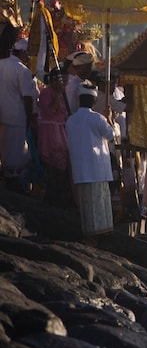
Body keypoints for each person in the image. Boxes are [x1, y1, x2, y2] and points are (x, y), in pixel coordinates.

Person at [65, 83, 114, 242]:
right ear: (94, 101)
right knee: (98, 206)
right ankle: (98, 237)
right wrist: (109, 118)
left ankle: (90, 236)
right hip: (96, 170)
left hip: (80, 170)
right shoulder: (97, 118)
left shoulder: (71, 120)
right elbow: (111, 134)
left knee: (87, 206)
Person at [0, 38, 40, 192]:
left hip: (3, 115)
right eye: (27, 54)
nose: (28, 57)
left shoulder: (1, 64)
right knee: (16, 153)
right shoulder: (22, 70)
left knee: (5, 149)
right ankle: (14, 186)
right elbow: (28, 98)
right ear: (22, 53)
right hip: (16, 116)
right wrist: (29, 117)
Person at [37, 68, 72, 207]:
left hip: (61, 132)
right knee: (52, 166)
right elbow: (50, 110)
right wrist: (57, 95)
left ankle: (58, 197)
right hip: (50, 132)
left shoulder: (64, 96)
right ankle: (50, 198)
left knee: (61, 167)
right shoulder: (47, 93)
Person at [64, 51, 93, 117]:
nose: (90, 70)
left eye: (90, 67)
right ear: (78, 67)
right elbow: (71, 109)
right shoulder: (72, 86)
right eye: (87, 68)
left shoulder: (88, 83)